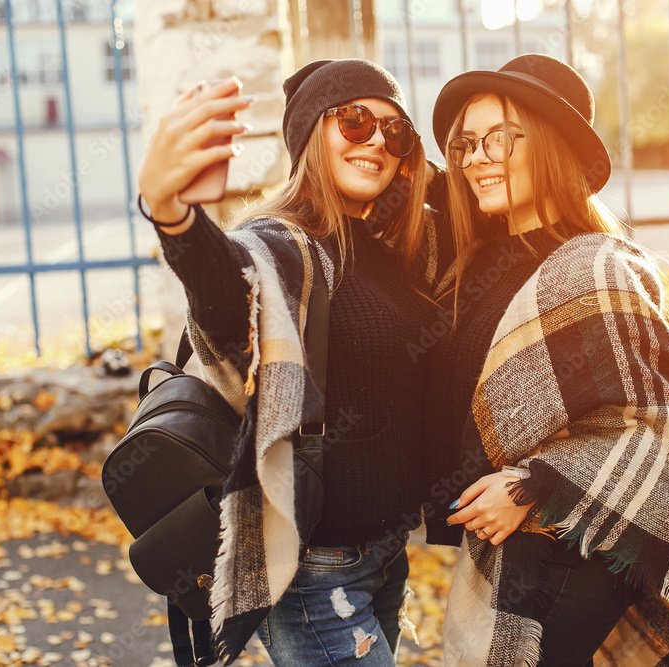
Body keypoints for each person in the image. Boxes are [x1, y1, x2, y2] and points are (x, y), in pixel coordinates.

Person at [421, 54, 669, 665]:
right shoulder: (479, 260)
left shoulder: (593, 267)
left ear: (551, 147)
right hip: (517, 546)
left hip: (573, 547)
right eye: (466, 143)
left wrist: (533, 484)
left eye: (499, 138)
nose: (475, 158)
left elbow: (663, 431)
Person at [136, 59, 440, 666]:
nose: (377, 138)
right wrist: (174, 215)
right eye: (354, 121)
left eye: (395, 129)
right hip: (315, 569)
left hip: (384, 552)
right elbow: (225, 292)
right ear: (309, 136)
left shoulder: (395, 246)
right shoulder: (280, 244)